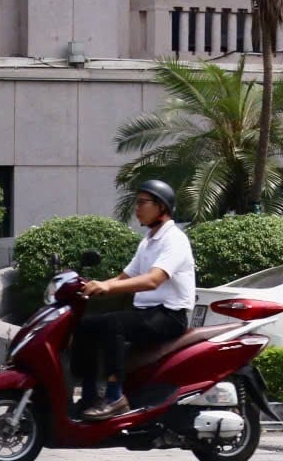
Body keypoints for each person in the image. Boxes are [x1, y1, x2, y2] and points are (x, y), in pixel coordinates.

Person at [70, 179, 195, 421]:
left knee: (112, 324)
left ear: (161, 207)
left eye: (142, 203)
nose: (136, 208)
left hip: (168, 316)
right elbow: (124, 277)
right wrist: (89, 286)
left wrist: (108, 286)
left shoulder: (174, 240)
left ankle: (115, 396)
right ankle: (88, 395)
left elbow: (152, 280)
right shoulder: (148, 241)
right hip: (146, 314)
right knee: (84, 326)